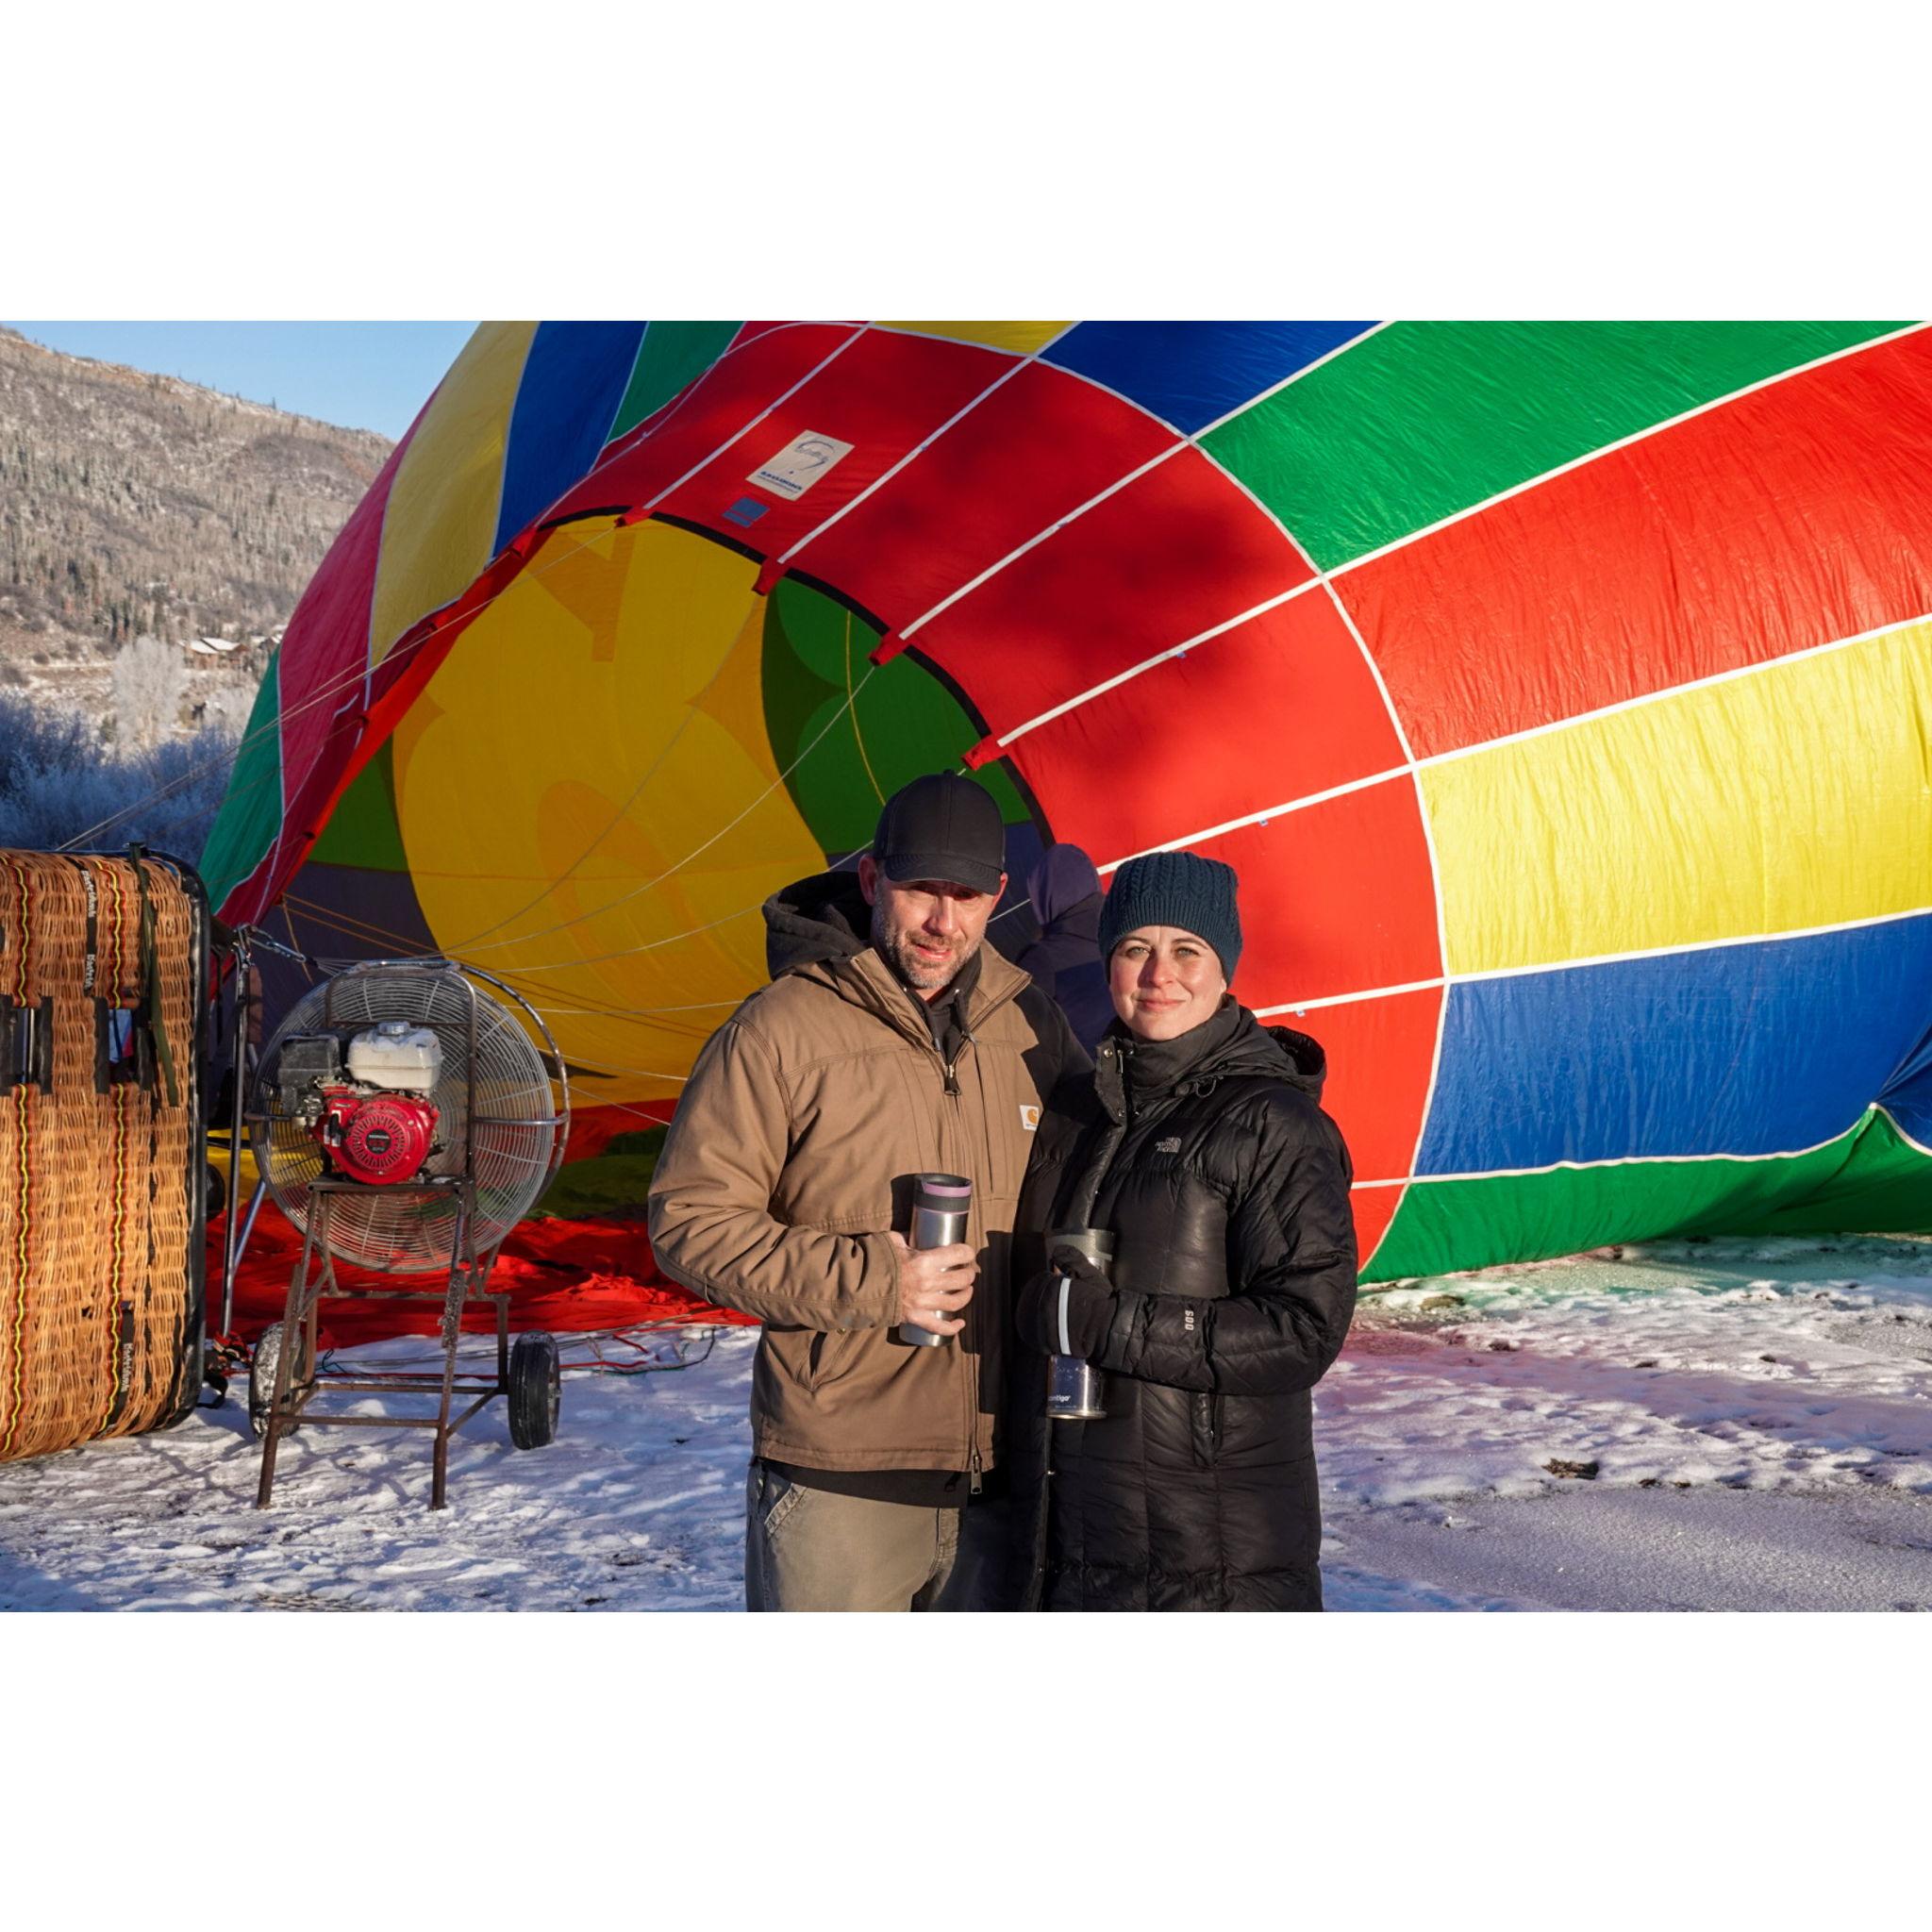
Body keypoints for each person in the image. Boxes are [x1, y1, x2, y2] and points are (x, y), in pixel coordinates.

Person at [646, 773, 1088, 1612]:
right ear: (872, 880)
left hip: (1008, 1459)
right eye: (921, 890)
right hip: (844, 1469)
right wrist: (875, 1281)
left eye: (964, 896)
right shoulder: (779, 1029)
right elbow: (690, 1221)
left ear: (998, 896)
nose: (940, 922)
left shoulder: (1032, 1025)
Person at [1008, 849, 1357, 1611]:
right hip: (1078, 1535)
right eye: (1135, 948)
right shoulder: (1080, 1111)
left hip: (1211, 1547)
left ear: (1224, 968)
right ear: (1107, 965)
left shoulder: (1275, 1123)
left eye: (1186, 950)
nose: (1158, 974)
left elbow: (1304, 1330)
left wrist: (1110, 1322)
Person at [1013, 842, 1113, 1057]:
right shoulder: (1123, 935)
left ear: (1043, 896)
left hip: (1079, 1080)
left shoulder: (1042, 959)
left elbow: (1015, 1035)